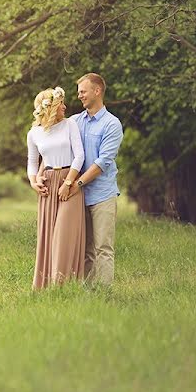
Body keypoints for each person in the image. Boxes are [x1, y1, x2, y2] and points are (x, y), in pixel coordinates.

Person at [26, 86, 85, 289]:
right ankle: (45, 287)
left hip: (69, 180)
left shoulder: (70, 125)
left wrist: (68, 183)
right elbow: (32, 163)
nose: (65, 107)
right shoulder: (34, 133)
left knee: (64, 234)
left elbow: (79, 156)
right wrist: (34, 183)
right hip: (48, 185)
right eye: (61, 104)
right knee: (48, 237)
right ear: (50, 107)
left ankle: (62, 286)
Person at [68, 73, 124, 287]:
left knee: (103, 247)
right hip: (78, 195)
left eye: (83, 91)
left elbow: (102, 163)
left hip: (102, 195)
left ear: (97, 91)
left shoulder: (112, 124)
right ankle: (88, 293)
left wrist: (77, 184)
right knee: (84, 247)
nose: (79, 95)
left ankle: (104, 293)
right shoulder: (74, 122)